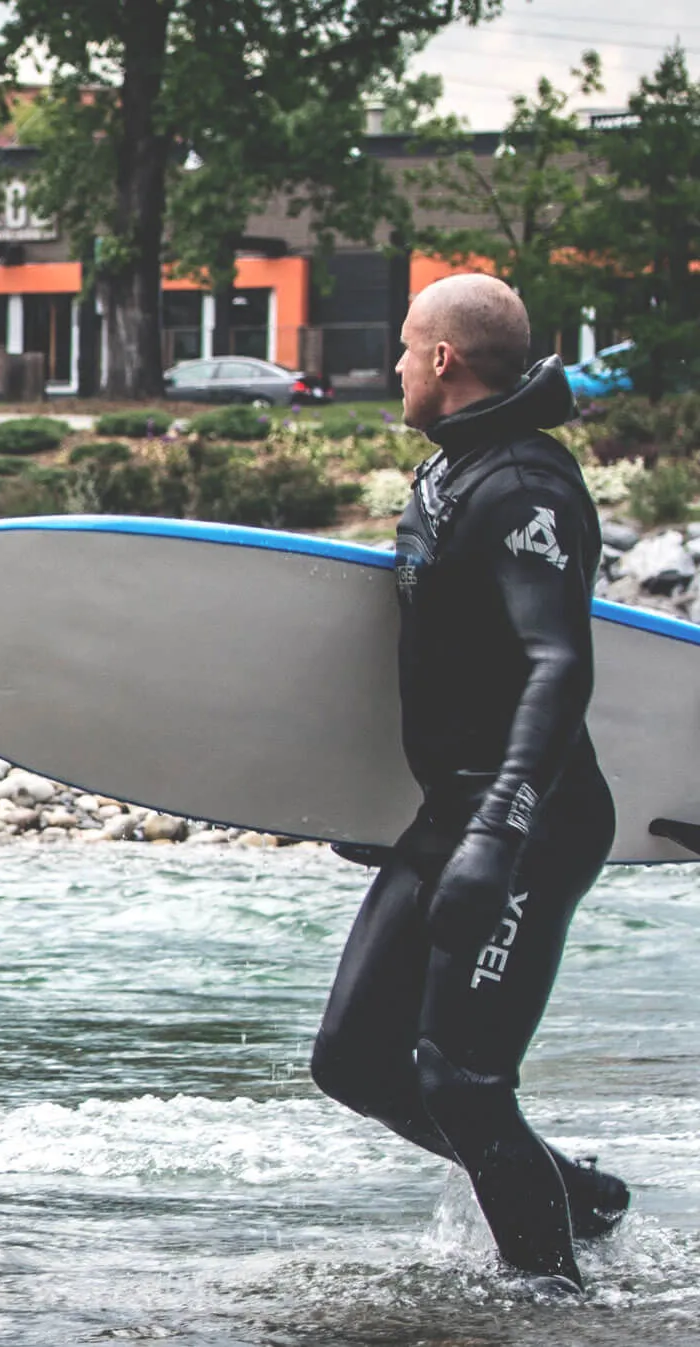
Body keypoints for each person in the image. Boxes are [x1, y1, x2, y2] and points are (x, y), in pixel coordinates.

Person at [309, 273, 627, 1293]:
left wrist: (499, 829)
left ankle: (550, 1297)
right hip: (452, 809)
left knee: (461, 1079)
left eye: (406, 347)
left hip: (530, 818)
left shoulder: (525, 483)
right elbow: (448, 666)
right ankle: (568, 1196)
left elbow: (555, 663)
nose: (396, 365)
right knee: (355, 1062)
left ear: (443, 359)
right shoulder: (453, 475)